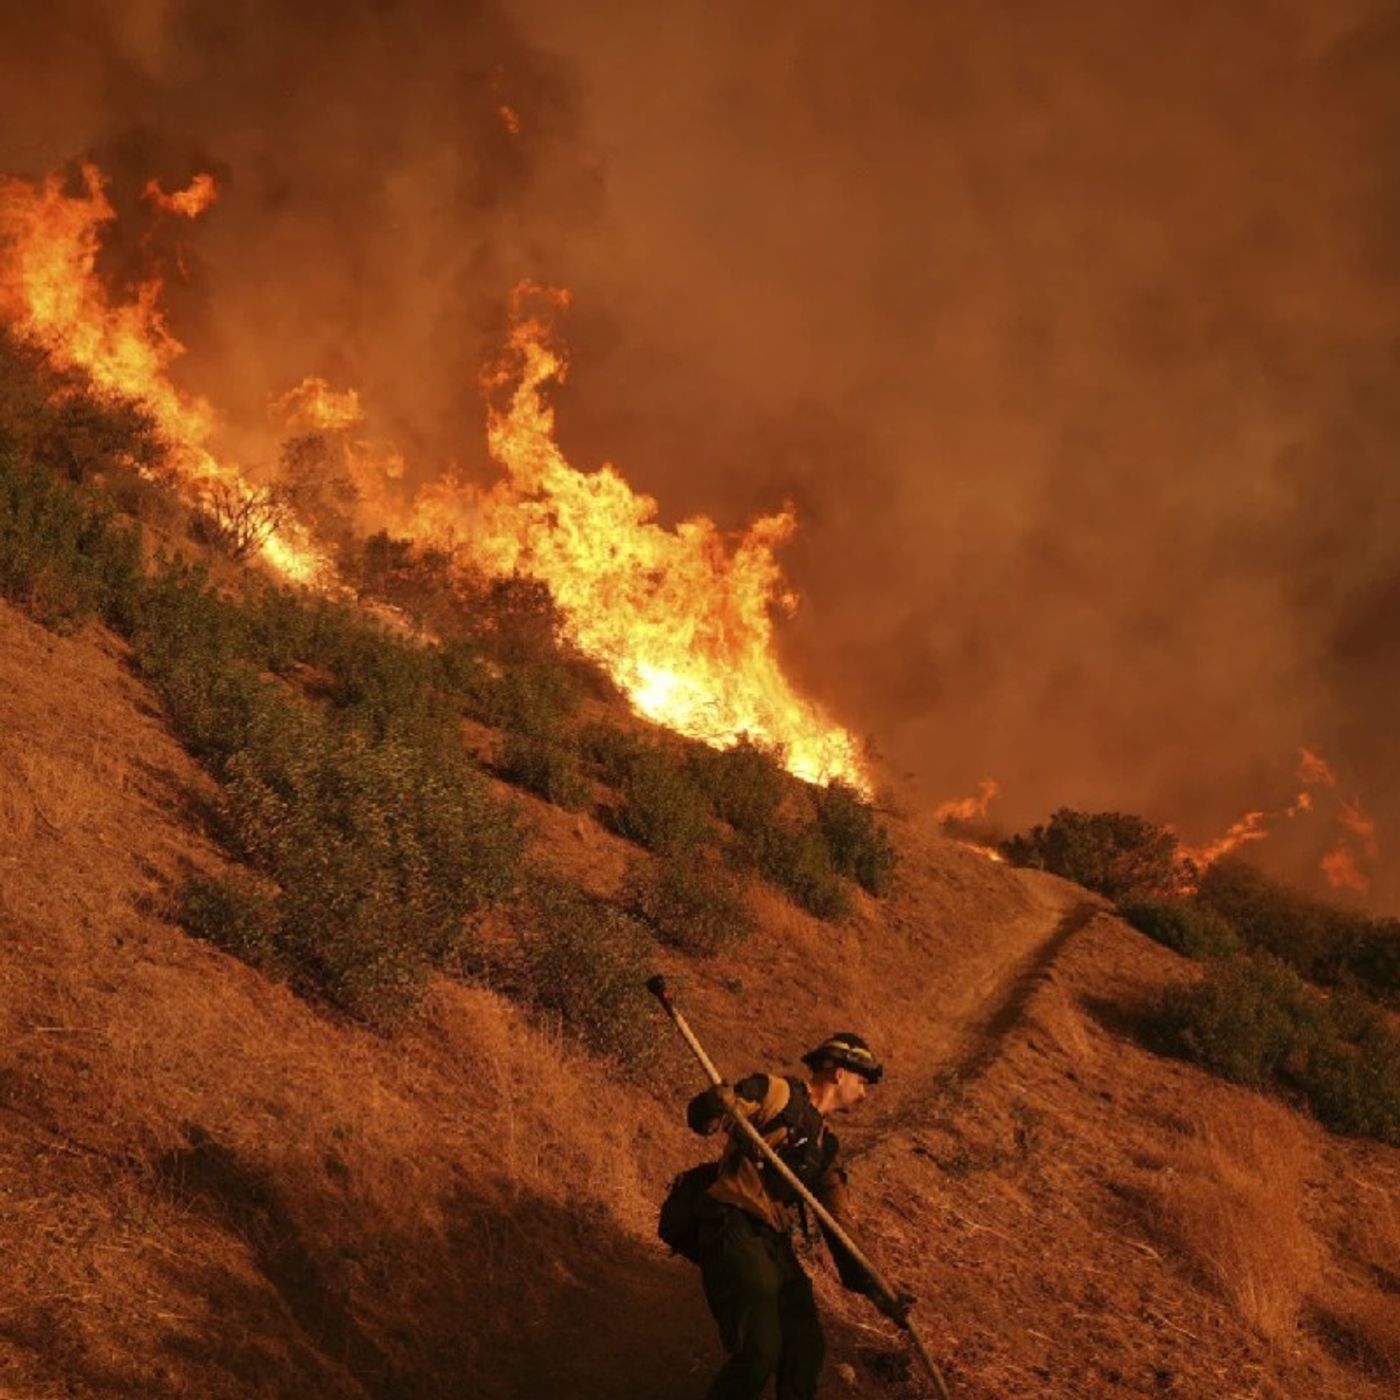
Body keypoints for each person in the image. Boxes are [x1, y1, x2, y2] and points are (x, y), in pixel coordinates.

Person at [685, 1032, 912, 1400]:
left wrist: (879, 1293)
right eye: (861, 1080)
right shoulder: (775, 1093)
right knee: (761, 1351)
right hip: (732, 1221)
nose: (865, 1092)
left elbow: (840, 1230)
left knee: (806, 1349)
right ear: (838, 1073)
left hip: (771, 1240)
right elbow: (704, 1121)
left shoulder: (826, 1146)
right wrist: (715, 1104)